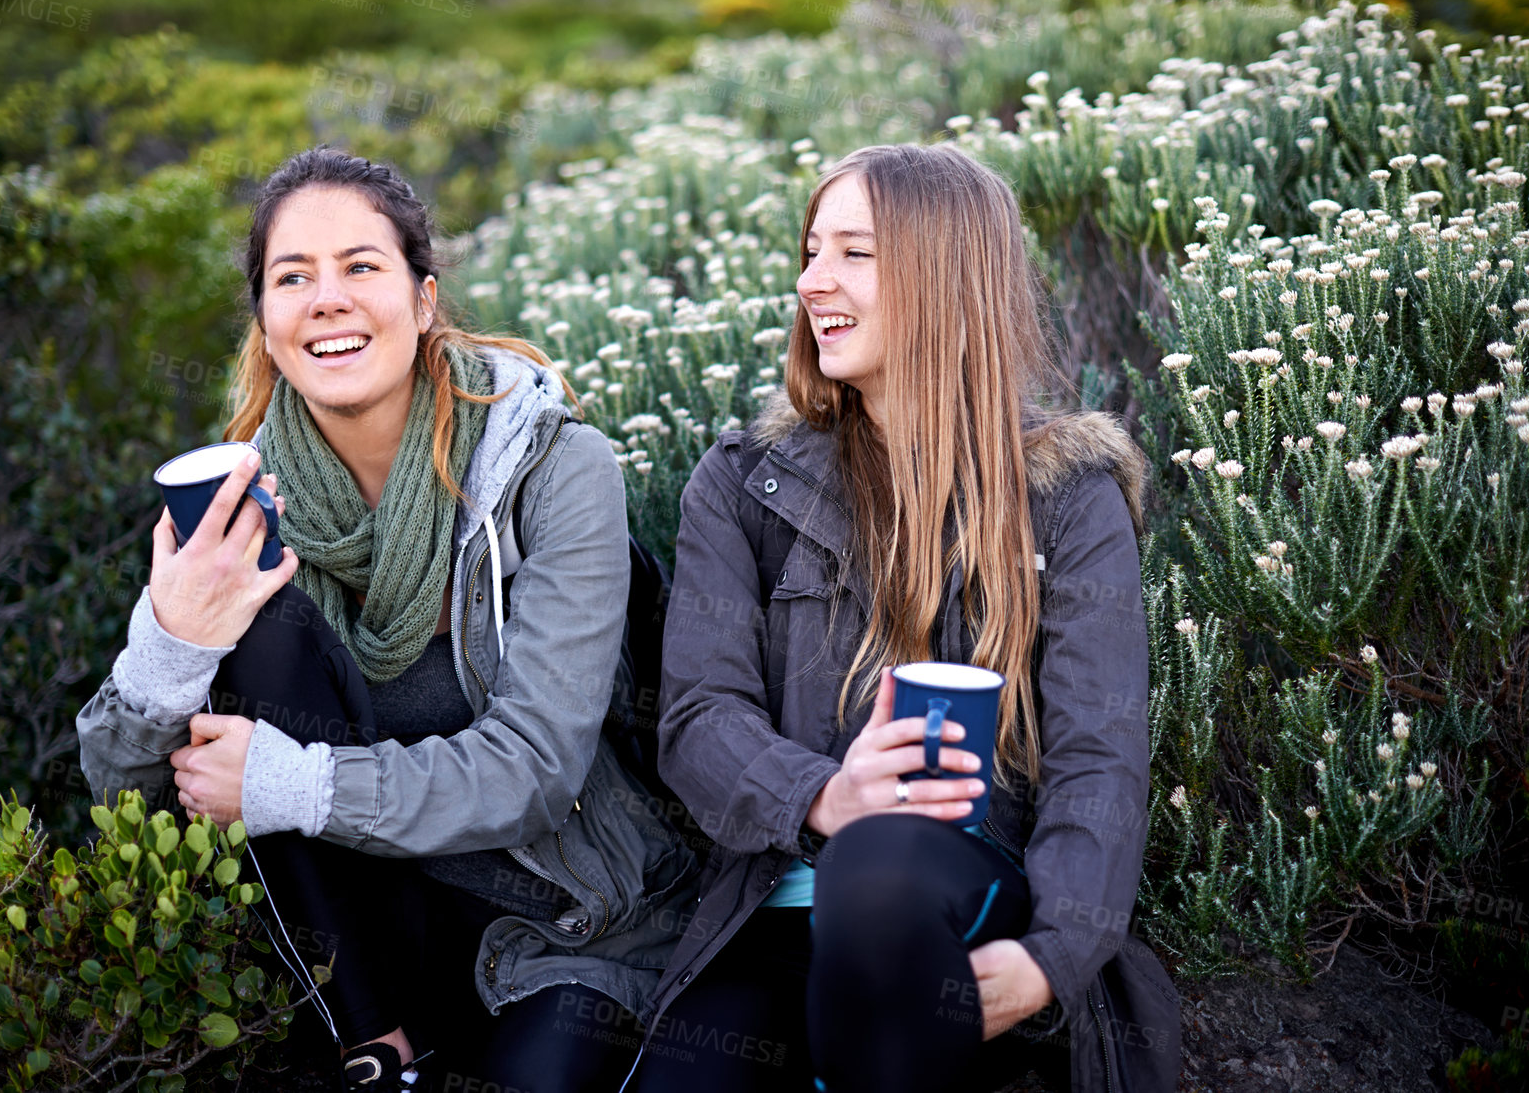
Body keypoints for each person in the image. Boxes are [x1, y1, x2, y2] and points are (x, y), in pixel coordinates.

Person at [77, 147, 695, 1093]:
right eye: (293, 277)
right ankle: (375, 1047)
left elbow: (535, 772)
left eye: (361, 266)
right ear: (267, 320)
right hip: (358, 956)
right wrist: (174, 638)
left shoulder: (551, 471)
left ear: (422, 300)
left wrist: (295, 783)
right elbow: (132, 809)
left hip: (562, 926)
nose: (326, 299)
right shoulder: (240, 502)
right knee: (260, 627)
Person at [628, 143, 1180, 1093]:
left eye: (853, 252)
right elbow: (696, 719)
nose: (812, 280)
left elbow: (1101, 756)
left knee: (879, 866)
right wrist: (824, 795)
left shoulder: (1069, 497)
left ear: (942, 270)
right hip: (772, 908)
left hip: (976, 910)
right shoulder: (741, 483)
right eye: (808, 251)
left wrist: (1051, 956)